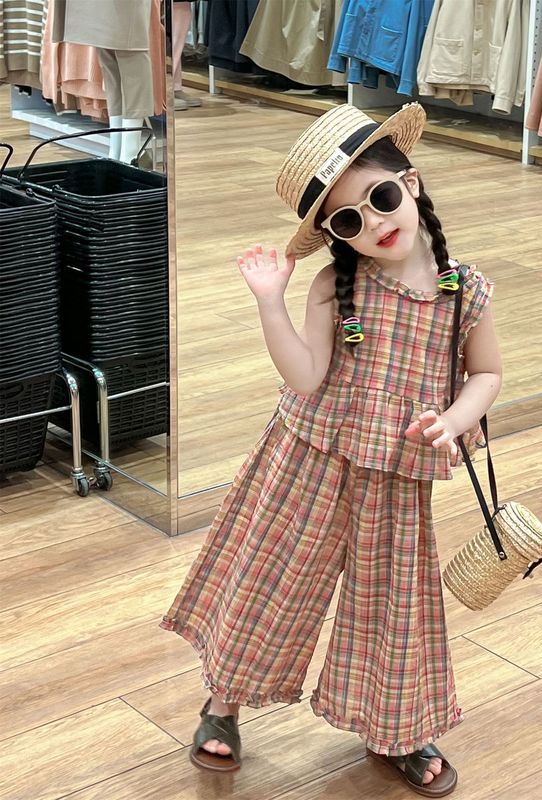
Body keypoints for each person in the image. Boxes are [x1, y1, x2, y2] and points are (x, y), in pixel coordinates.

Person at [160, 102, 502, 797]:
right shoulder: (333, 287)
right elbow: (306, 377)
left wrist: (455, 418)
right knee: (271, 582)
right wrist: (269, 302)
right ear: (333, 235)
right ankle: (223, 703)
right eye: (347, 220)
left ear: (411, 181)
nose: (373, 223)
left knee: (396, 608)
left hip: (399, 474)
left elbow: (487, 374)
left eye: (381, 198)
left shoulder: (464, 291)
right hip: (308, 459)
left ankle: (398, 729)